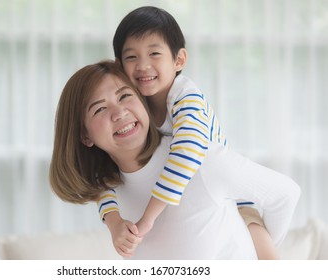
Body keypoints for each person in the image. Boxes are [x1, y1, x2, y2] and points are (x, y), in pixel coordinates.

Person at [49, 60, 300, 259]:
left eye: (125, 96)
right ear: (85, 136)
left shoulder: (202, 159)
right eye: (100, 109)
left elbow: (286, 194)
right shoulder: (108, 193)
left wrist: (261, 249)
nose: (120, 112)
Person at [97, 6, 279, 259]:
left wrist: (148, 217)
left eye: (154, 53)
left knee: (262, 245)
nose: (143, 65)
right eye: (131, 57)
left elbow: (188, 151)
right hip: (188, 207)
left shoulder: (186, 96)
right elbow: (101, 173)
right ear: (119, 66)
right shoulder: (135, 106)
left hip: (231, 196)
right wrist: (113, 221)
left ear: (179, 60)